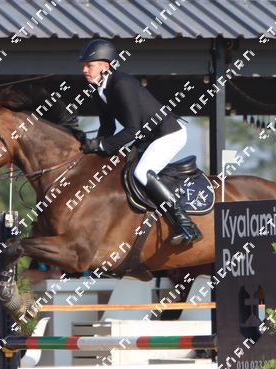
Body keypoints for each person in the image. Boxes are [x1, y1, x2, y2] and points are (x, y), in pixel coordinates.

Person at [76, 38, 202, 246]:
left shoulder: (121, 84)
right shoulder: (99, 89)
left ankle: (186, 225)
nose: (84, 70)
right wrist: (91, 147)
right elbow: (107, 128)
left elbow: (132, 130)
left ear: (105, 66)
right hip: (149, 137)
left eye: (89, 65)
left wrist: (101, 146)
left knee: (142, 172)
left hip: (168, 134)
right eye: (84, 66)